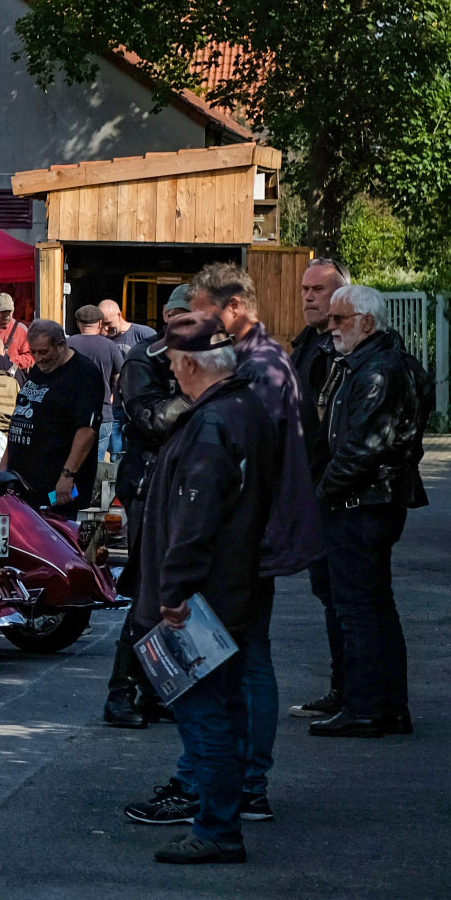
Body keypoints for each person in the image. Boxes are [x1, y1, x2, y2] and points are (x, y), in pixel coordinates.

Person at [122, 312, 276, 865]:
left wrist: (174, 590)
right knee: (225, 710)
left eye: (172, 362)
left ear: (188, 364)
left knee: (207, 713)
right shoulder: (243, 407)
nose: (169, 371)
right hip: (233, 587)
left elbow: (197, 513)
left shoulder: (212, 421)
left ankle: (216, 826)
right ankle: (221, 819)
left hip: (203, 597)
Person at [179, 262, 319, 821]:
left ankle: (243, 783)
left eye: (203, 310)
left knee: (244, 659)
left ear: (234, 307)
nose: (196, 321)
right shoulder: (265, 359)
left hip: (248, 538)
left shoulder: (259, 366)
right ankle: (233, 779)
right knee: (241, 658)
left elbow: (240, 461)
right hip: (256, 534)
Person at [310, 282, 431, 739]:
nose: (331, 325)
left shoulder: (378, 370)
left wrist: (321, 495)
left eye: (340, 319)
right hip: (372, 500)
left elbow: (361, 449)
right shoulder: (379, 364)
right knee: (374, 606)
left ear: (366, 321)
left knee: (359, 607)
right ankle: (385, 706)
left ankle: (365, 707)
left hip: (362, 504)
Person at [102, 329, 192, 728]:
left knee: (169, 593)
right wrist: (195, 396)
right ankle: (122, 692)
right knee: (147, 592)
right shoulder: (144, 358)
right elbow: (151, 419)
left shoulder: (191, 357)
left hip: (174, 484)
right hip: (147, 486)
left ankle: (155, 690)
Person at [287, 256, 350, 721]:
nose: (309, 297)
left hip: (334, 492)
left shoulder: (341, 349)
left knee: (345, 596)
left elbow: (338, 429)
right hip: (311, 487)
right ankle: (345, 686)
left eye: (319, 290)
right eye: (306, 289)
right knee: (329, 593)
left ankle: (353, 690)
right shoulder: (308, 342)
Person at [2, 319, 105, 512]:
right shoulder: (40, 370)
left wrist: (67, 474)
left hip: (56, 488)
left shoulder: (83, 373)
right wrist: (2, 470)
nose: (38, 358)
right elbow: (20, 419)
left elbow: (87, 429)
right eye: (33, 352)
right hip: (22, 483)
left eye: (43, 352)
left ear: (61, 345)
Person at [69, 305, 129, 463]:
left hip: (72, 414)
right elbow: (120, 379)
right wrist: (114, 398)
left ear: (78, 323)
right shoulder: (110, 346)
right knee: (97, 464)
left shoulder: (68, 345)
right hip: (102, 413)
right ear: (100, 323)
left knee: (72, 463)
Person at [0, 292, 35, 369]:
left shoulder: (21, 330)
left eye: (9, 311)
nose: (6, 315)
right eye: (3, 311)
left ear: (13, 310)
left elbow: (31, 356)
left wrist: (9, 362)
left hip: (13, 377)